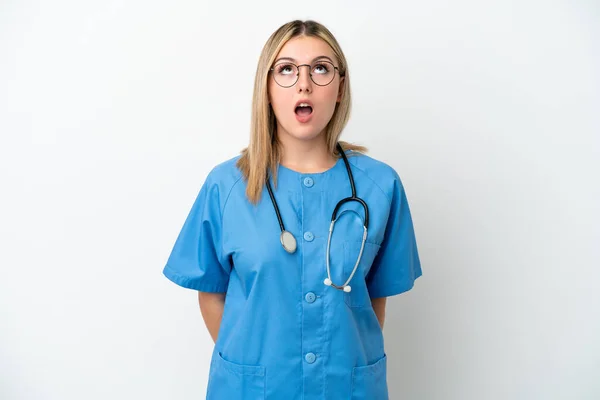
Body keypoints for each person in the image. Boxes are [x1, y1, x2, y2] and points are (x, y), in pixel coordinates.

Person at [163, 19, 423, 400]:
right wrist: (253, 367)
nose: (304, 83)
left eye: (321, 68)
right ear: (267, 90)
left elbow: (373, 300)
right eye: (286, 69)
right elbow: (211, 295)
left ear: (339, 88)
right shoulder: (226, 186)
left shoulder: (379, 187)